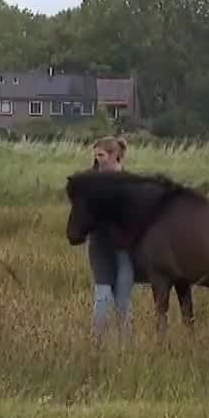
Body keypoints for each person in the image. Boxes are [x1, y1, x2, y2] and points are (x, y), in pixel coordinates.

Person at [85, 135, 135, 335]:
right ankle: (98, 345)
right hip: (100, 247)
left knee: (123, 300)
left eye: (101, 155)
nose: (97, 160)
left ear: (115, 156)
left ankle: (127, 349)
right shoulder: (90, 180)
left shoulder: (130, 182)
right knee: (103, 298)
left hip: (125, 249)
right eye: (96, 155)